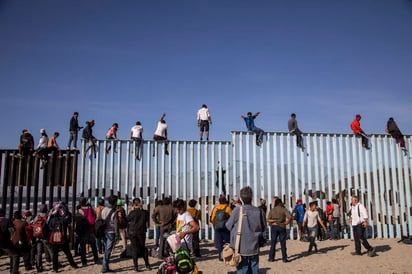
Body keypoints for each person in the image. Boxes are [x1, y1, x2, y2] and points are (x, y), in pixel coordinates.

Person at [225, 186, 266, 274]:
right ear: (251, 197)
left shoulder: (237, 210)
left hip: (240, 247)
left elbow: (228, 226)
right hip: (254, 246)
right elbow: (263, 228)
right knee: (254, 268)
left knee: (242, 270)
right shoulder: (259, 211)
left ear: (241, 198)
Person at [47, 202, 79, 272]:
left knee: (55, 254)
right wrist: (70, 237)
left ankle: (55, 268)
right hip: (62, 238)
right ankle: (73, 264)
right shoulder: (64, 219)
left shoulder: (52, 220)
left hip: (54, 238)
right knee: (67, 253)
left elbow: (50, 227)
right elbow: (69, 226)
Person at [127, 198, 151, 272]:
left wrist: (132, 210)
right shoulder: (144, 213)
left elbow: (127, 219)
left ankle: (135, 267)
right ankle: (147, 265)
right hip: (141, 232)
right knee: (143, 248)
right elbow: (147, 219)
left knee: (134, 249)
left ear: (134, 204)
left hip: (133, 232)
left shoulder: (132, 213)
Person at [98, 195, 120, 273]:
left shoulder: (103, 209)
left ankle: (106, 267)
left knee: (106, 249)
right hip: (111, 232)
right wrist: (117, 235)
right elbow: (116, 225)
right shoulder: (114, 212)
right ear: (114, 202)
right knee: (108, 250)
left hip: (103, 232)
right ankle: (104, 267)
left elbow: (99, 220)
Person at [76, 197, 99, 266]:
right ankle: (96, 259)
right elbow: (94, 218)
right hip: (91, 229)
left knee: (83, 247)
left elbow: (78, 221)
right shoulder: (91, 209)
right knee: (93, 245)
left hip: (83, 230)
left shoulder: (80, 211)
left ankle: (84, 262)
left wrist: (76, 229)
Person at [267, 199, 291, 263]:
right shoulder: (283, 209)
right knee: (283, 243)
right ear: (280, 203)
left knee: (273, 243)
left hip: (274, 227)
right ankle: (284, 258)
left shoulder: (272, 210)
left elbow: (268, 219)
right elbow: (289, 217)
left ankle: (271, 258)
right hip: (282, 226)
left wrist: (274, 221)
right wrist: (287, 222)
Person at [210, 196, 232, 261]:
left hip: (218, 227)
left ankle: (220, 256)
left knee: (219, 243)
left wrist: (215, 225)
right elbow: (232, 217)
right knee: (227, 242)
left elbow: (212, 218)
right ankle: (228, 255)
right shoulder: (228, 208)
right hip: (225, 227)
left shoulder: (215, 208)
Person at [33, 204, 53, 273]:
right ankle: (55, 264)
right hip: (46, 236)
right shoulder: (48, 216)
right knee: (50, 250)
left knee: (39, 252)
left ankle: (39, 267)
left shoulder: (37, 217)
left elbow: (33, 225)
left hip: (38, 236)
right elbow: (51, 226)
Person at [0, 208, 20, 274]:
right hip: (5, 242)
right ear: (3, 213)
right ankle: (14, 271)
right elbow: (12, 229)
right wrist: (10, 235)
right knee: (15, 255)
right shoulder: (6, 220)